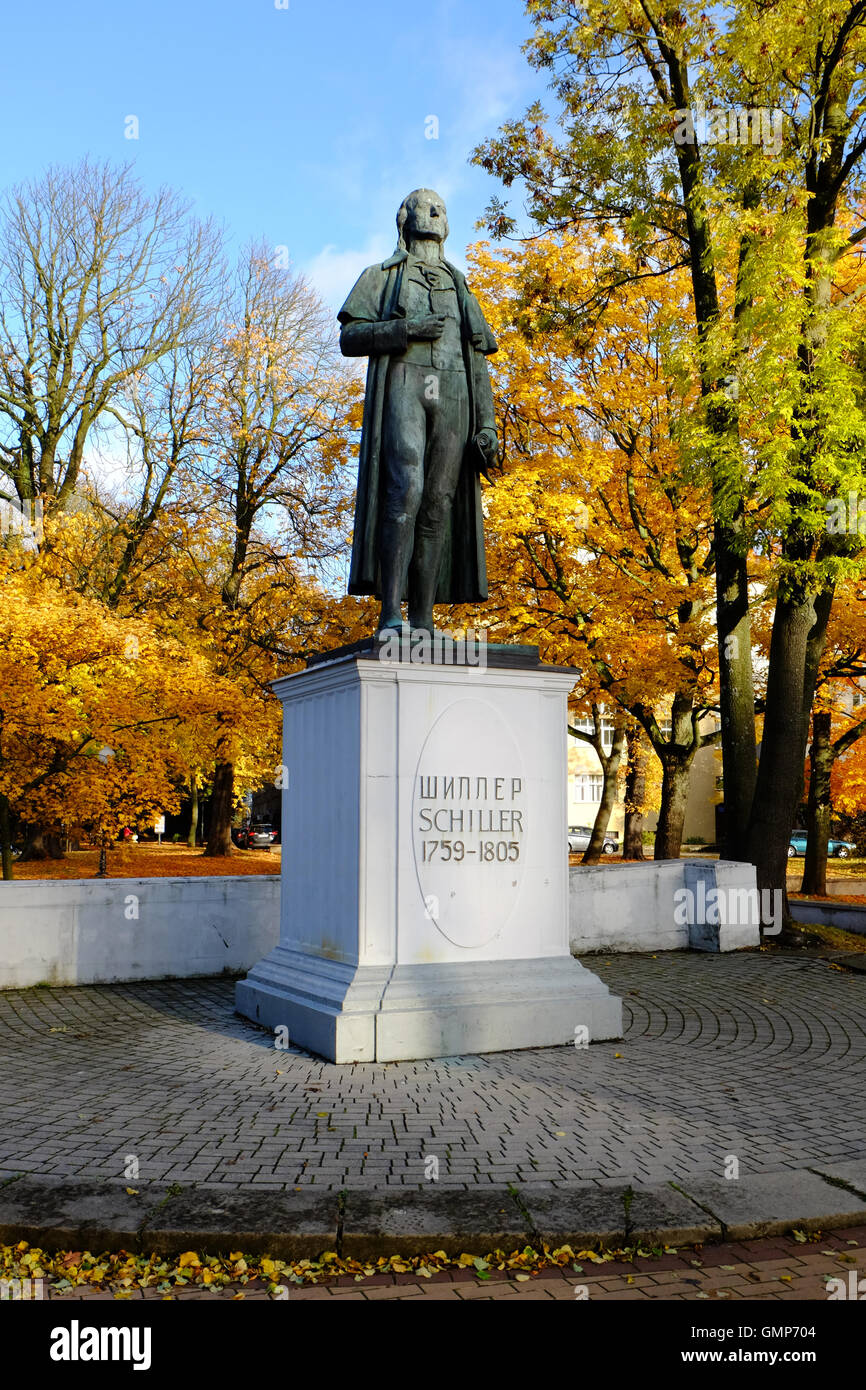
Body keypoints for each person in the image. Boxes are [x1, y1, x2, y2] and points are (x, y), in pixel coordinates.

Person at [338, 189, 499, 633]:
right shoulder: (382, 275)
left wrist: (486, 423)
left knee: (438, 503)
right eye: (423, 205)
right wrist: (404, 330)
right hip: (405, 386)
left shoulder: (460, 284)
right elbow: (350, 337)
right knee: (405, 489)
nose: (433, 211)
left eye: (440, 207)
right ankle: (391, 613)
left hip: (454, 395)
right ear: (403, 218)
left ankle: (424, 619)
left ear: (446, 224)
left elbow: (478, 356)